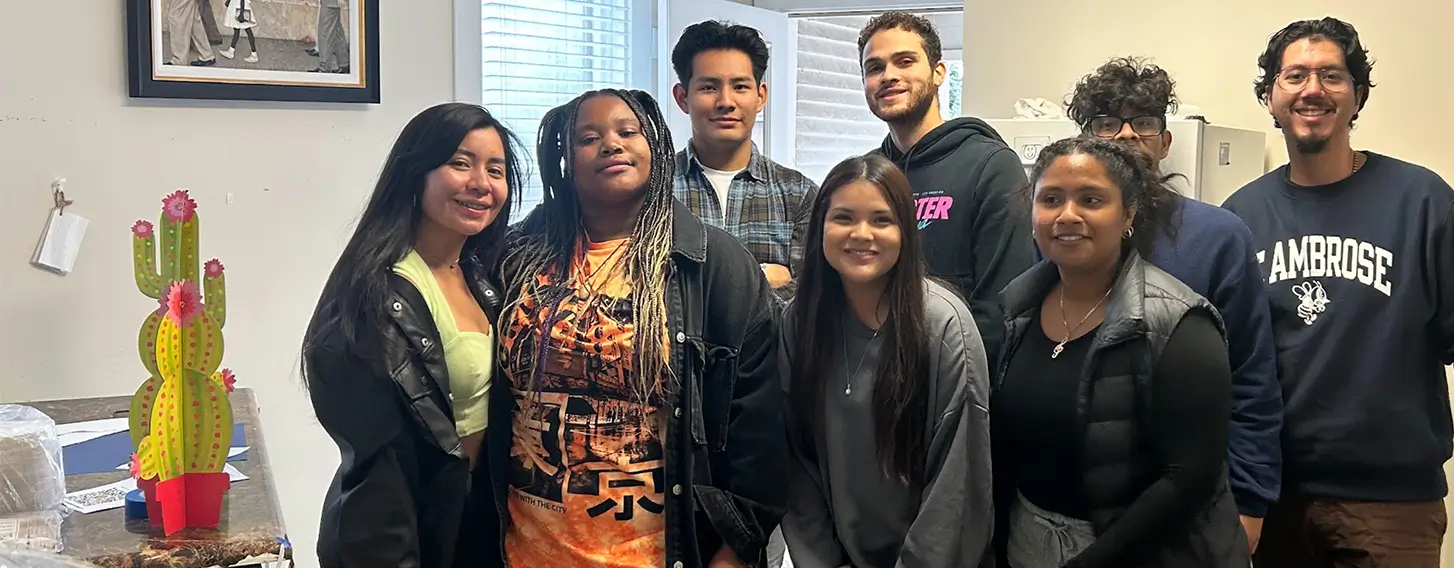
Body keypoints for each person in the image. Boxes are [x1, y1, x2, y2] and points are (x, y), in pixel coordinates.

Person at [491, 88, 786, 568]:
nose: (611, 144)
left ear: (657, 148)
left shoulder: (714, 265)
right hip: (526, 552)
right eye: (589, 138)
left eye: (628, 132)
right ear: (565, 158)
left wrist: (733, 552)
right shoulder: (518, 256)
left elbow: (761, 431)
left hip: (659, 554)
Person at [1221, 17, 1454, 567]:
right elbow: (1234, 369)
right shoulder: (1239, 217)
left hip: (1391, 502)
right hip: (1274, 495)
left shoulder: (1422, 202)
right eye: (1294, 76)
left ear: (1357, 96)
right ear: (1270, 97)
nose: (1313, 90)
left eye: (1332, 75)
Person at [992, 137, 1249, 567]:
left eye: (1091, 199)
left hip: (1141, 552)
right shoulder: (1017, 308)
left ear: (1128, 213)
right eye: (1050, 199)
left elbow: (1189, 479)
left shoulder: (1180, 324)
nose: (1067, 215)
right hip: (1030, 543)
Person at [1063, 56, 1283, 551]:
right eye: (1106, 123)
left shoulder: (1218, 237)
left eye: (1143, 122)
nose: (1126, 135)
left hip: (1191, 503)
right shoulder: (1058, 235)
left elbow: (1252, 378)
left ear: (1164, 140)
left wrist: (1250, 502)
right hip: (1075, 506)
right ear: (1085, 140)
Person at [300, 102, 522, 568]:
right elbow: (380, 475)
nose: (481, 183)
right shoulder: (373, 297)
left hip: (472, 523)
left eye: (495, 169)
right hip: (406, 537)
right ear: (415, 173)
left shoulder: (484, 277)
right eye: (460, 163)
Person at [779, 153, 992, 568]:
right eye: (843, 218)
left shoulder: (944, 325)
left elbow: (956, 487)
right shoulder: (800, 322)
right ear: (819, 227)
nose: (861, 234)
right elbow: (796, 461)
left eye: (881, 220)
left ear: (906, 232)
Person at [857, 11, 1031, 361]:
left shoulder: (991, 165)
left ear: (938, 73)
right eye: (874, 68)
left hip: (953, 381)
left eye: (904, 61)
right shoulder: (866, 176)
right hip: (871, 377)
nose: (888, 76)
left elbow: (1003, 306)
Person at [670, 20, 818, 299]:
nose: (726, 101)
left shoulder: (799, 194)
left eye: (739, 86)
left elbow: (810, 301)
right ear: (683, 97)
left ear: (760, 96)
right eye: (708, 87)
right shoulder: (656, 189)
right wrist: (760, 276)